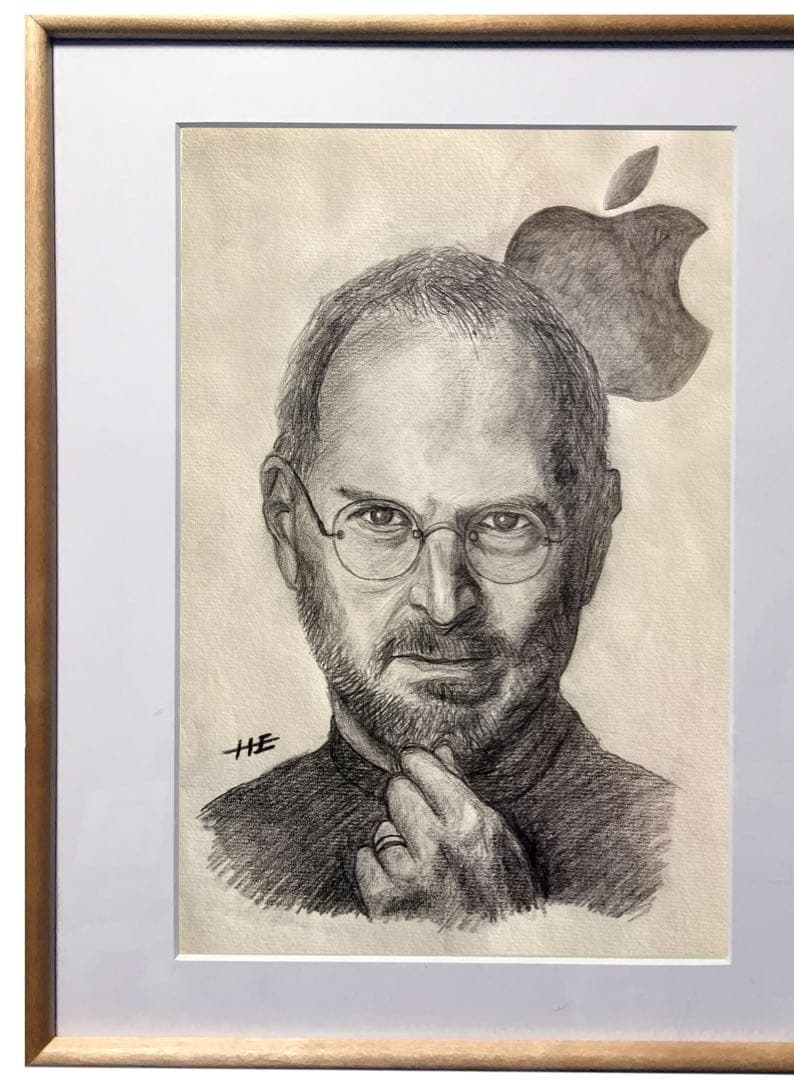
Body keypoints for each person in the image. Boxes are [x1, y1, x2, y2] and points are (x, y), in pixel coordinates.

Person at [199, 247, 674, 928]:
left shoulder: (686, 861)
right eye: (380, 519)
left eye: (506, 524)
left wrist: (497, 934)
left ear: (593, 537)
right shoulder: (214, 860)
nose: (445, 604)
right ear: (287, 526)